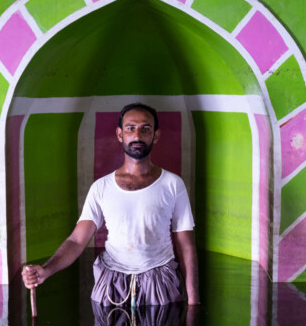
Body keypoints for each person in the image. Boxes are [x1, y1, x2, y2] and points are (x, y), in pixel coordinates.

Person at [22, 102, 200, 306]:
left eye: (145, 129)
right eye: (130, 128)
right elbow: (77, 241)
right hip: (111, 286)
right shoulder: (101, 188)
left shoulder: (173, 185)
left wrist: (193, 302)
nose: (137, 135)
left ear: (156, 135)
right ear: (119, 134)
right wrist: (46, 270)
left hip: (160, 283)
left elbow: (186, 245)